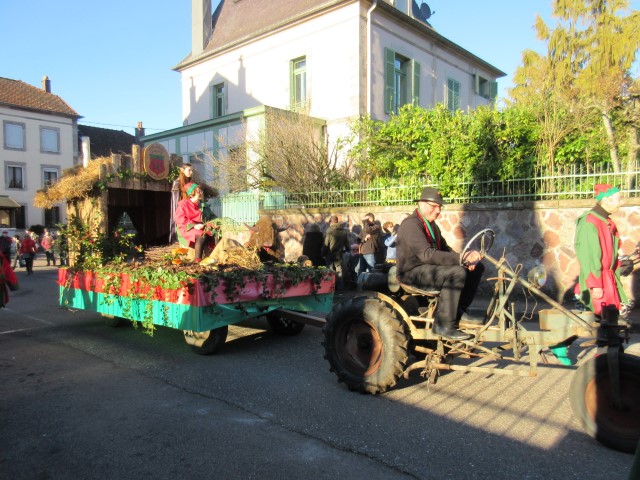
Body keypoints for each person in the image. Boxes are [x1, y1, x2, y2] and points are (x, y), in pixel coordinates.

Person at [396, 187, 485, 341]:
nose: (438, 211)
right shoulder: (411, 225)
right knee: (456, 273)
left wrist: (465, 258)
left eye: (439, 207)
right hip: (411, 272)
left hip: (426, 269)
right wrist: (461, 260)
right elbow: (427, 254)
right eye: (434, 206)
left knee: (476, 268)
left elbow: (445, 249)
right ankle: (443, 325)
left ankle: (458, 311)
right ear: (422, 204)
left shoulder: (432, 226)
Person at [574, 184, 632, 317]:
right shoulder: (590, 222)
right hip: (599, 280)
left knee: (609, 321)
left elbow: (609, 253)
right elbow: (589, 255)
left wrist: (619, 265)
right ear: (606, 201)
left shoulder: (606, 221)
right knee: (600, 320)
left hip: (607, 279)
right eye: (619, 199)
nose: (621, 203)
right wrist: (595, 285)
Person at [174, 183, 215, 263]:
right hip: (186, 228)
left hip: (201, 226)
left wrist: (216, 222)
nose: (200, 193)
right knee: (201, 235)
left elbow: (211, 216)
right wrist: (194, 225)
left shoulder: (202, 205)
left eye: (200, 191)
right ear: (192, 194)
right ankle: (197, 260)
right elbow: (180, 219)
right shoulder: (183, 205)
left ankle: (215, 256)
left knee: (215, 233)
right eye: (198, 191)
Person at [323, 215, 350, 291]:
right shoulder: (343, 231)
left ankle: (331, 288)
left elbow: (326, 244)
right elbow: (346, 243)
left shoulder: (329, 231)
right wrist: (348, 249)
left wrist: (323, 254)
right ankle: (341, 289)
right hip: (339, 254)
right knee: (339, 271)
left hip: (329, 254)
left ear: (331, 222)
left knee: (330, 271)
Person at [170, 163, 194, 243]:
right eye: (189, 170)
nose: (191, 172)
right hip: (182, 209)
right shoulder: (177, 182)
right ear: (182, 170)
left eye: (192, 170)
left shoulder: (191, 182)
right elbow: (176, 199)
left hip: (190, 208)